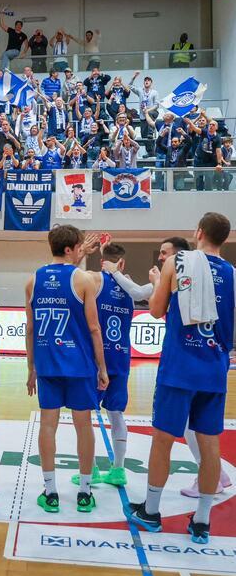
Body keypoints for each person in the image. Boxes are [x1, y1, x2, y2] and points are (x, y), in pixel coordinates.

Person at [128, 213, 234, 545]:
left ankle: (152, 511)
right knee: (210, 444)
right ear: (225, 239)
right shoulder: (232, 273)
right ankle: (202, 521)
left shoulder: (179, 260)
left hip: (180, 365)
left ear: (198, 232)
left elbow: (156, 311)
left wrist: (162, 283)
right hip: (214, 367)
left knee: (162, 439)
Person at [25, 226, 108, 514]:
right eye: (78, 246)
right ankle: (85, 492)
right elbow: (94, 328)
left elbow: (31, 329)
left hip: (47, 365)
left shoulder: (33, 279)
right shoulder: (83, 279)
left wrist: (30, 368)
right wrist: (102, 368)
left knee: (48, 426)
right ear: (72, 248)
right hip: (79, 365)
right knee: (83, 426)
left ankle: (50, 493)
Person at [71, 243, 155, 488]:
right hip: (121, 358)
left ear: (103, 262)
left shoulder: (95, 279)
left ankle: (92, 469)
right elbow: (142, 292)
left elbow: (70, 276)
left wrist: (82, 252)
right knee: (116, 414)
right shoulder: (130, 287)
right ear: (123, 263)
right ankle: (118, 469)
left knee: (85, 416)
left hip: (97, 359)